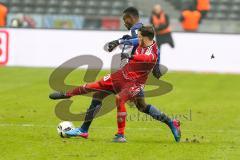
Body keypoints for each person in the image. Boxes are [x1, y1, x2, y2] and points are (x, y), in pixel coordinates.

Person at [49, 25, 181, 142]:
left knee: (123, 100)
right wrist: (118, 42)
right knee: (97, 92)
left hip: (134, 83)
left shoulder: (152, 53)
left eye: (140, 37)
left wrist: (129, 56)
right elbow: (132, 41)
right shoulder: (143, 41)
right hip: (121, 76)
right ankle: (73, 106)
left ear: (146, 38)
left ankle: (121, 135)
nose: (138, 39)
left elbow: (146, 58)